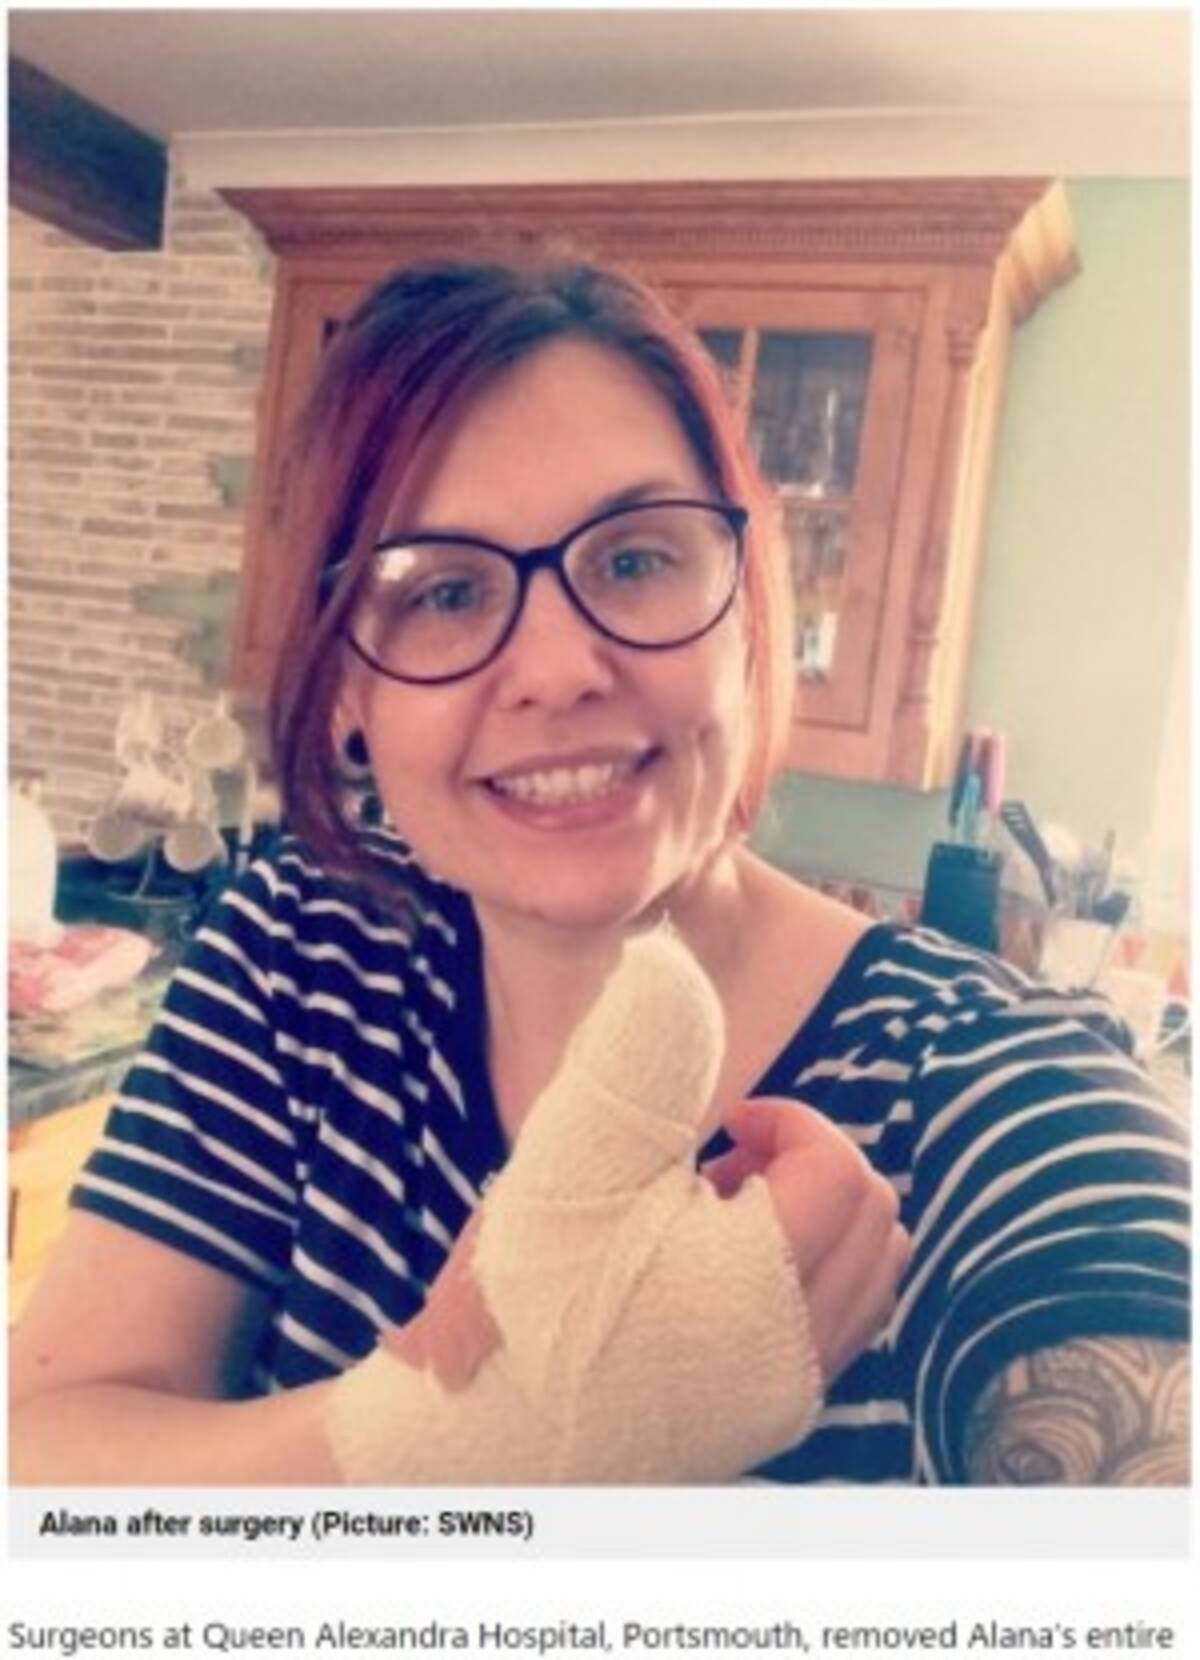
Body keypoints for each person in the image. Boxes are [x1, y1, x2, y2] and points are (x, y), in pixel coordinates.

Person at [10, 259, 1189, 1486]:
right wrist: (470, 1443)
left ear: (746, 614)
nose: (560, 669)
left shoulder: (1003, 1113)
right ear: (349, 686)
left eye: (633, 560)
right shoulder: (302, 950)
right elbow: (41, 1453)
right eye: (445, 590)